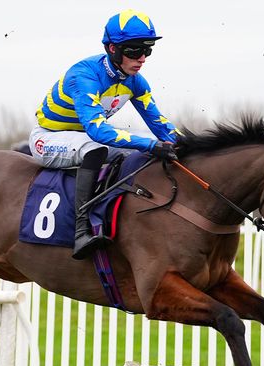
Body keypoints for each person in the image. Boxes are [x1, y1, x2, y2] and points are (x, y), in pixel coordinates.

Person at [30, 9, 179, 260]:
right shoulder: (84, 76)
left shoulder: (136, 82)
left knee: (144, 154)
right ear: (112, 48)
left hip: (84, 138)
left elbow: (161, 126)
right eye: (134, 50)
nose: (142, 58)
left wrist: (190, 146)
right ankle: (81, 231)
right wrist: (151, 144)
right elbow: (97, 131)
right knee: (97, 149)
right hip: (49, 138)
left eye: (147, 50)